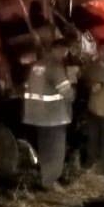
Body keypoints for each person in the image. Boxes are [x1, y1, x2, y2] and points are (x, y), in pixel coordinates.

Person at [20, 41, 74, 190]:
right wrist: (73, 91)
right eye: (65, 51)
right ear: (61, 50)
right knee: (56, 151)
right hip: (54, 116)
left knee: (44, 149)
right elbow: (67, 93)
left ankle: (45, 178)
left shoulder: (37, 66)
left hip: (37, 116)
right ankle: (52, 181)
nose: (66, 54)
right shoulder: (55, 67)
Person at [82, 43, 104, 172]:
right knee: (92, 138)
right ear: (99, 53)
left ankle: (103, 165)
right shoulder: (91, 67)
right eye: (103, 51)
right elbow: (84, 81)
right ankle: (89, 162)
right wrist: (91, 85)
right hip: (93, 109)